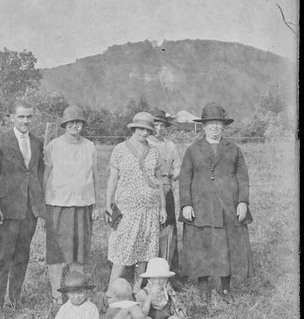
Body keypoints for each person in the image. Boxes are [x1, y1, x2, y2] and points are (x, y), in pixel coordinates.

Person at [178, 102, 254, 304]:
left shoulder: (234, 149)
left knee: (225, 246)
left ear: (223, 126)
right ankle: (204, 288)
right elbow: (185, 178)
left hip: (227, 207)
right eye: (210, 123)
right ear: (203, 126)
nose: (214, 127)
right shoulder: (193, 150)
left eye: (218, 124)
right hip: (200, 206)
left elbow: (243, 177)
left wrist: (242, 202)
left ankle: (225, 289)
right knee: (202, 246)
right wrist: (186, 204)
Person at [0, 100, 45, 319]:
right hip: (7, 211)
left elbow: (38, 175)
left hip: (29, 211)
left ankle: (14, 299)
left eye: (29, 117)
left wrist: (39, 206)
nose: (25, 121)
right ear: (12, 118)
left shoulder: (38, 142)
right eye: (21, 117)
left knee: (22, 256)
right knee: (3, 257)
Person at [43, 105, 99, 305]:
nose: (75, 126)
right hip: (57, 205)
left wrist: (97, 203)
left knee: (79, 251)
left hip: (83, 205)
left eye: (79, 122)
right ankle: (57, 293)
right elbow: (45, 175)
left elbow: (94, 177)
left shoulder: (90, 146)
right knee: (57, 252)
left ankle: (76, 292)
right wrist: (43, 203)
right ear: (64, 125)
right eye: (71, 123)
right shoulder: (53, 146)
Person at [105, 112, 166, 293]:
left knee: (145, 251)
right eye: (140, 129)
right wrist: (108, 203)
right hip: (128, 209)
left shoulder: (154, 152)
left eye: (148, 130)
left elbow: (159, 181)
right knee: (123, 250)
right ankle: (111, 292)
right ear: (133, 129)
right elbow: (112, 179)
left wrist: (163, 207)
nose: (144, 133)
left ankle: (137, 290)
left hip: (150, 209)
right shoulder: (120, 149)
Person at [136, 258, 215, 319]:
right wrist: (150, 296)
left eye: (162, 278)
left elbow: (177, 303)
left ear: (166, 278)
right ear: (149, 278)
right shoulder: (143, 293)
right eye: (155, 278)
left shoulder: (167, 290)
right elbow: (142, 316)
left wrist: (179, 308)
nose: (158, 281)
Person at [147, 109, 181, 272]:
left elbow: (178, 167)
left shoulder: (170, 145)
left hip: (166, 189)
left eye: (162, 125)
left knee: (168, 229)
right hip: (148, 192)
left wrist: (172, 175)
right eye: (155, 125)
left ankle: (168, 269)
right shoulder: (144, 143)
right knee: (149, 230)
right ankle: (146, 270)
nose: (159, 129)